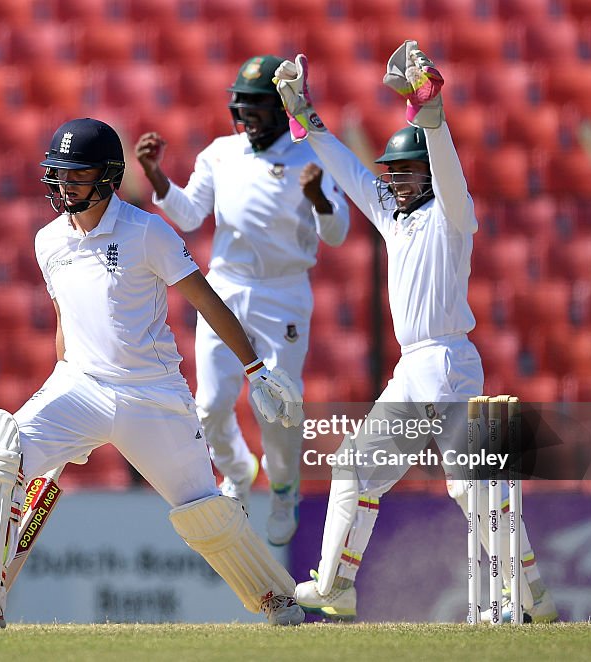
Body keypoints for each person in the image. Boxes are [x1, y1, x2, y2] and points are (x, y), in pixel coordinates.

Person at [0, 117, 306, 629]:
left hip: (150, 396)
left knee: (204, 511)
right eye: (59, 174)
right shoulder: (49, 241)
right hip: (80, 386)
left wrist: (256, 368)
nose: (65, 184)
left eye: (78, 174)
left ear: (108, 176)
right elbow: (67, 322)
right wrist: (62, 396)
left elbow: (205, 299)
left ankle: (278, 599)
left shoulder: (146, 231)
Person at [273, 43, 557, 623]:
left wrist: (430, 114)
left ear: (426, 172)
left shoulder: (454, 214)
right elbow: (353, 174)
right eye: (394, 172)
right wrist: (304, 116)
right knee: (354, 467)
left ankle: (530, 597)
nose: (397, 181)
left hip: (449, 362)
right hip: (413, 368)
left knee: (468, 488)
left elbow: (447, 169)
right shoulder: (392, 216)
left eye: (407, 171)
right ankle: (335, 585)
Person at [134, 54, 350, 546]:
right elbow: (189, 214)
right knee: (209, 406)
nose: (247, 116)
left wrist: (318, 198)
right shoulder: (220, 153)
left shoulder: (311, 153)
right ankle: (236, 472)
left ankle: (283, 488)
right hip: (225, 290)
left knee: (279, 406)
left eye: (256, 106)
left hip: (284, 294)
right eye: (242, 106)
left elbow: (336, 232)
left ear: (279, 107)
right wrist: (155, 174)